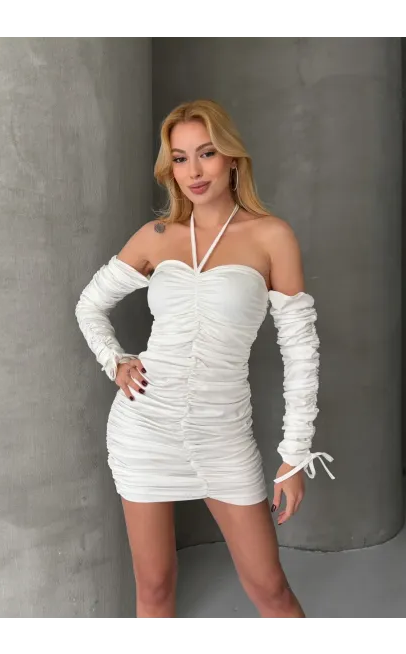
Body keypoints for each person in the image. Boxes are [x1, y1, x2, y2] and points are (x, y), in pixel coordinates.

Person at [75, 99, 334, 625]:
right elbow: (89, 305)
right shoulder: (157, 238)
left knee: (271, 590)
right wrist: (115, 360)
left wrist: (294, 454)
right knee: (154, 585)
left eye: (207, 153)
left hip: (223, 433)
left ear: (232, 158)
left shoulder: (271, 237)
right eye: (180, 158)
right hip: (144, 429)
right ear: (170, 168)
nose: (193, 170)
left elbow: (300, 350)